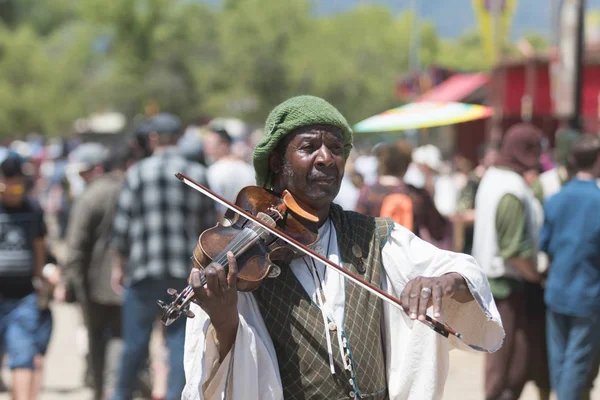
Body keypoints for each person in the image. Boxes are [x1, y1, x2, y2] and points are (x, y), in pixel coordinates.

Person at [182, 95, 504, 400]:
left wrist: (441, 282)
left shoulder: (372, 235)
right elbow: (217, 370)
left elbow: (465, 272)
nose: (326, 158)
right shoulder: (246, 257)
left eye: (335, 147)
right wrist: (225, 321)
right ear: (278, 162)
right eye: (309, 147)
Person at [111, 112, 216, 400]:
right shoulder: (197, 173)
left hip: (143, 269)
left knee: (134, 344)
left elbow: (122, 228)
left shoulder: (136, 172)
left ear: (153, 138)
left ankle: (120, 395)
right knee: (180, 345)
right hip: (184, 274)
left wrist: (118, 266)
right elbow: (210, 231)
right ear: (179, 139)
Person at [472, 123, 545, 400]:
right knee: (505, 365)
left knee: (508, 362)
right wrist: (535, 277)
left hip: (495, 281)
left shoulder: (494, 177)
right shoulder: (511, 188)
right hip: (506, 285)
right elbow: (513, 249)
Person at [61, 145, 136, 400]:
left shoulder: (91, 196)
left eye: (83, 173)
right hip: (128, 280)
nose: (81, 178)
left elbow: (75, 246)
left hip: (93, 285)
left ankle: (103, 391)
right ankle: (116, 389)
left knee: (98, 342)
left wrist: (70, 283)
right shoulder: (131, 189)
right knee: (122, 338)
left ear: (98, 168)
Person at [539, 135, 600, 400]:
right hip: (588, 290)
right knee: (577, 360)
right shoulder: (598, 201)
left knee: (559, 358)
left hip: (557, 288)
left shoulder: (556, 198)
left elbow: (544, 244)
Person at [0, 154, 47, 400]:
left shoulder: (33, 209)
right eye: (10, 185)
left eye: (20, 186)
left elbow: (39, 246)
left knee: (23, 357)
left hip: (23, 295)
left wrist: (39, 278)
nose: (14, 192)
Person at [204, 128, 255, 217]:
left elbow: (216, 208)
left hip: (221, 224)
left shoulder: (214, 171)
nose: (206, 148)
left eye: (210, 144)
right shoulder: (249, 169)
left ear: (224, 145)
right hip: (246, 225)